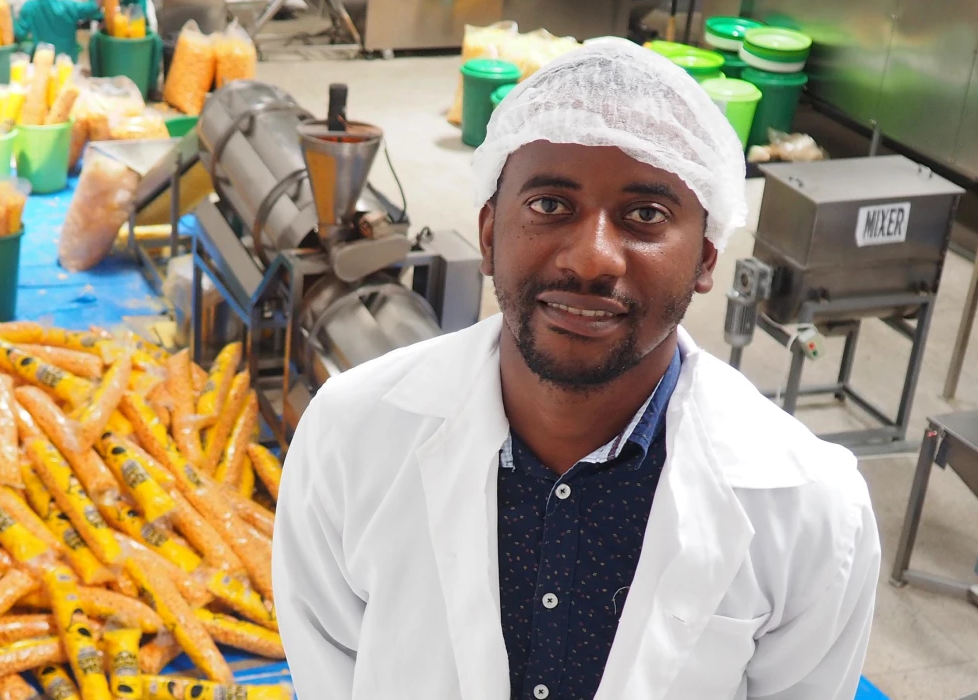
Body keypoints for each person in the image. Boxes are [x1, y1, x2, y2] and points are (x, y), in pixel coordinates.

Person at [273, 40, 880, 700]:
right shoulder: (351, 437)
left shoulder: (812, 510)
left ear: (706, 258)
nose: (591, 259)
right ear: (488, 234)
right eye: (550, 205)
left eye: (644, 215)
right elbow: (327, 666)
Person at [14, 0, 102, 61]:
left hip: (42, 63)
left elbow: (19, 34)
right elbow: (96, 6)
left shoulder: (30, 7)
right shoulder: (69, 7)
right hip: (67, 64)